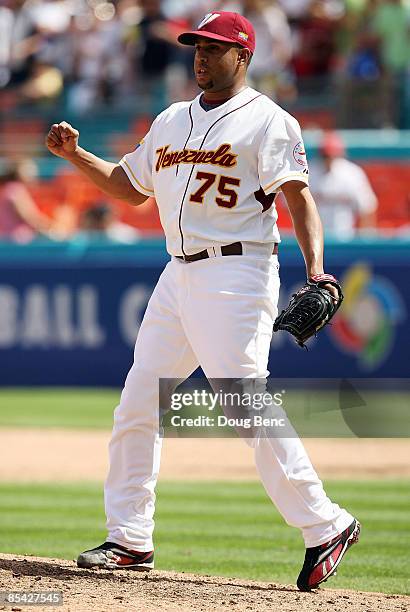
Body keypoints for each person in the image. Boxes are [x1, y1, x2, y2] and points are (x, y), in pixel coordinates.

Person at [45, 11, 360, 591]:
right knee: (140, 400)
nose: (200, 57)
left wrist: (318, 274)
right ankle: (130, 538)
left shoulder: (269, 121)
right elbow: (127, 185)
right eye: (196, 46)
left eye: (214, 49)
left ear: (243, 56)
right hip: (178, 275)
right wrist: (75, 156)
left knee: (242, 402)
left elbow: (300, 199)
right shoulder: (170, 119)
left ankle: (327, 523)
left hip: (239, 271)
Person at [309, 131, 378, 240]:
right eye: (325, 156)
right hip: (312, 238)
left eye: (332, 155)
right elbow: (290, 205)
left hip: (344, 238)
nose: (329, 159)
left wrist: (365, 240)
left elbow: (367, 208)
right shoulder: (308, 172)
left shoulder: (352, 173)